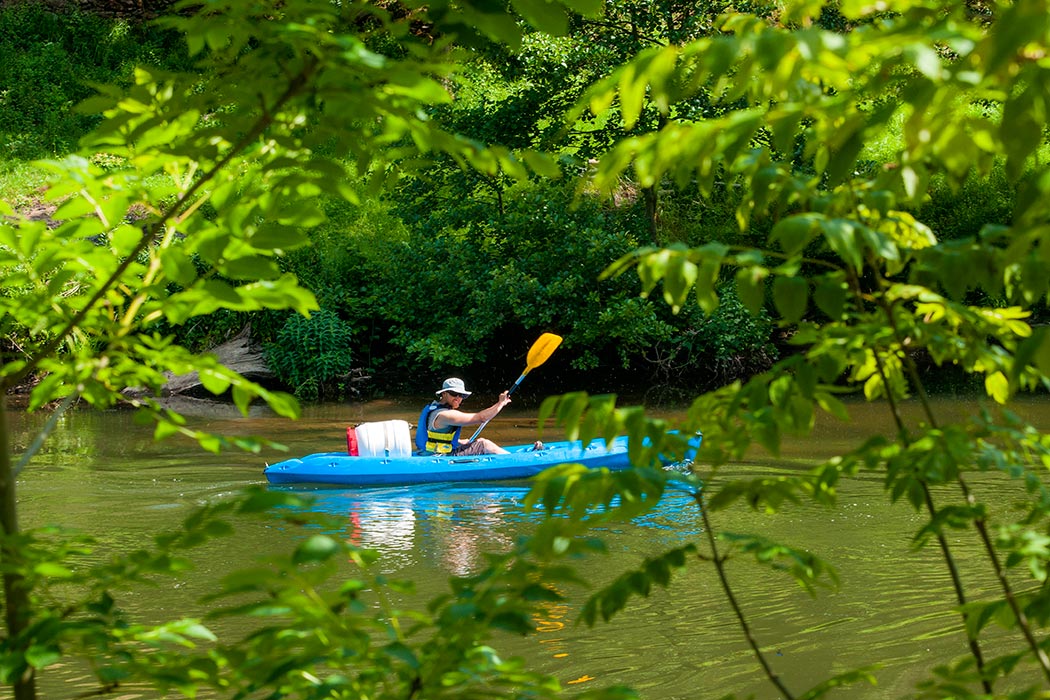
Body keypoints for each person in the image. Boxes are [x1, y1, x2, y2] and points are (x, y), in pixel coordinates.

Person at [415, 377, 511, 455]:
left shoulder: (433, 408)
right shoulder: (446, 415)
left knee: (477, 441)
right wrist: (500, 403)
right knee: (484, 444)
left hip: (427, 453)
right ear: (444, 394)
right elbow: (482, 418)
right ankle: (513, 461)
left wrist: (459, 442)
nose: (458, 398)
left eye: (461, 395)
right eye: (454, 394)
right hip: (440, 456)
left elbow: (435, 437)